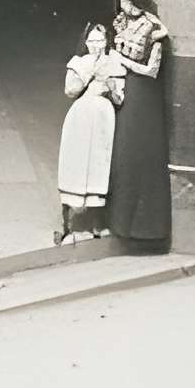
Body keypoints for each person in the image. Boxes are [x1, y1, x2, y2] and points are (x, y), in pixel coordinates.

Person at [107, 0, 172, 250]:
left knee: (138, 153)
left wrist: (120, 60)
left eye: (128, 0)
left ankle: (146, 228)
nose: (124, 5)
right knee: (122, 154)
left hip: (143, 97)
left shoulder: (154, 30)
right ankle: (121, 222)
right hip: (124, 88)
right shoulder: (123, 21)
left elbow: (151, 70)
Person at [56, 21, 123, 242]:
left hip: (104, 117)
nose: (96, 45)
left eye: (100, 40)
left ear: (107, 41)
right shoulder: (79, 63)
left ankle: (97, 223)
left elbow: (120, 98)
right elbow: (70, 90)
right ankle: (69, 225)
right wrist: (89, 69)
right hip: (82, 114)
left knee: (99, 164)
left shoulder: (114, 63)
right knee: (76, 162)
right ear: (85, 42)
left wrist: (112, 89)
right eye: (92, 41)